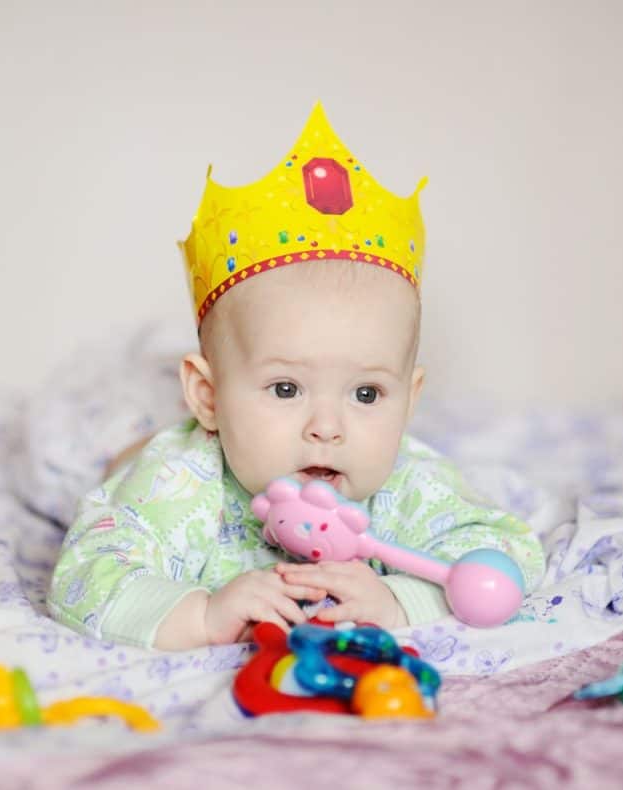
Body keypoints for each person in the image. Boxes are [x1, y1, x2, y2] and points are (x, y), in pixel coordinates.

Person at [47, 103, 543, 650]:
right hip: (139, 451)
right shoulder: (181, 481)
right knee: (77, 458)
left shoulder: (408, 481)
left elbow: (507, 557)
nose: (328, 427)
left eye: (366, 393)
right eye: (286, 389)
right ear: (208, 396)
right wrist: (204, 615)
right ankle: (123, 452)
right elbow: (82, 578)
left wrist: (402, 601)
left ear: (410, 399)